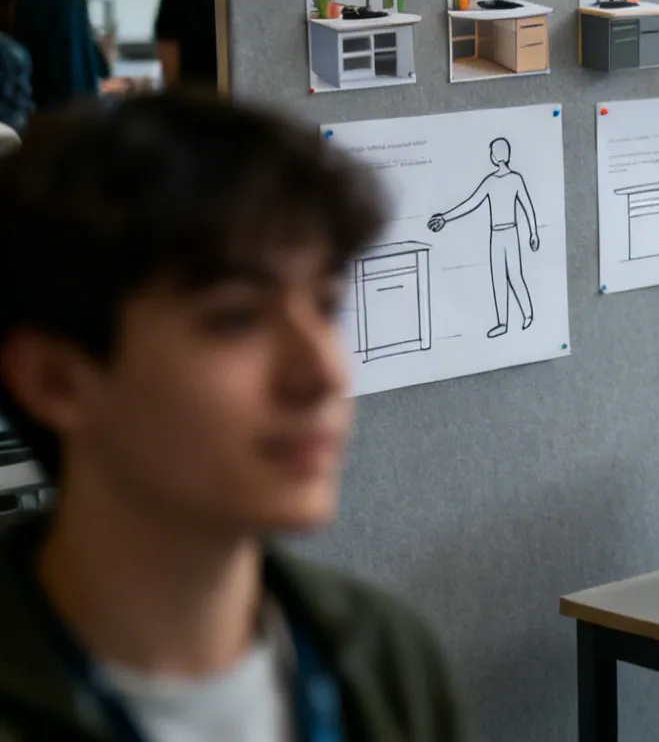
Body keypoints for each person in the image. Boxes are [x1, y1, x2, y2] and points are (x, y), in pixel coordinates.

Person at [0, 92, 466, 740]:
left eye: (327, 307)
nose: (324, 373)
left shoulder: (381, 655)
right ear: (57, 380)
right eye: (238, 318)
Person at [428, 136, 539, 338]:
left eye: (492, 152)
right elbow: (472, 203)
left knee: (514, 275)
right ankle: (502, 323)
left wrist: (533, 232)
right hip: (496, 234)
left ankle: (528, 313)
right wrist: (445, 217)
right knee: (498, 277)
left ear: (495, 156)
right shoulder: (490, 182)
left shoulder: (516, 179)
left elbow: (527, 206)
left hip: (509, 233)